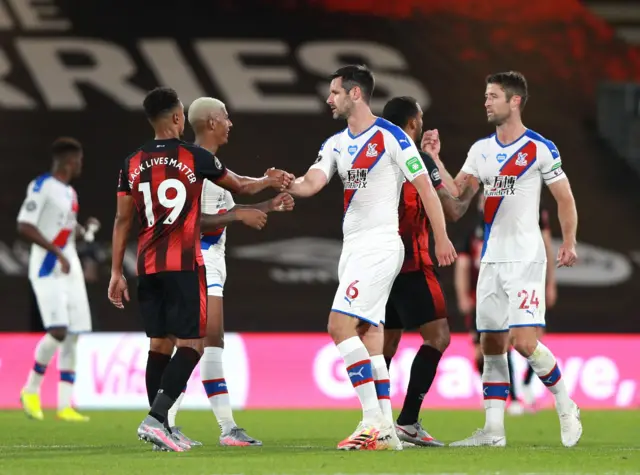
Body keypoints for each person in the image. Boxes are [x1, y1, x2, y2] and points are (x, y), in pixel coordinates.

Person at [107, 87, 292, 452]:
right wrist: (258, 194)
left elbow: (120, 219)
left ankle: (161, 427)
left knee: (159, 345)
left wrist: (116, 272)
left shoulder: (131, 162)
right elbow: (237, 187)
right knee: (194, 344)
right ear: (178, 118)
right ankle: (157, 420)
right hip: (184, 262)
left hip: (147, 264)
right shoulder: (194, 158)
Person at [286, 65, 457, 451]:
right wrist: (288, 184)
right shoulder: (335, 143)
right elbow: (312, 182)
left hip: (381, 245)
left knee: (338, 326)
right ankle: (388, 433)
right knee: (370, 335)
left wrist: (442, 238)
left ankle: (371, 424)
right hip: (353, 248)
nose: (329, 99)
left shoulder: (392, 137)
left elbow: (426, 190)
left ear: (355, 94)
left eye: (334, 92)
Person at [423, 71, 581, 447]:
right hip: (491, 261)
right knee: (491, 345)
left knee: (524, 342)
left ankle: (565, 404)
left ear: (514, 101)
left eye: (492, 96)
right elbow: (458, 197)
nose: (486, 102)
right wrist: (434, 160)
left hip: (525, 259)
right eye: (485, 95)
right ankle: (493, 431)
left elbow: (565, 199)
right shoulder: (481, 150)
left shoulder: (540, 148)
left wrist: (569, 241)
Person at [165, 97, 295, 447]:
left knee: (209, 344)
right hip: (199, 260)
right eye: (224, 117)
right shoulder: (193, 166)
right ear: (209, 122)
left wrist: (268, 198)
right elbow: (188, 223)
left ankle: (209, 425)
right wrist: (241, 214)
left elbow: (237, 192)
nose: (230, 123)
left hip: (211, 260)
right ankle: (172, 421)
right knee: (202, 342)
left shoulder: (209, 164)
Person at [380, 96, 474, 447]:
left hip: (378, 263)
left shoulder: (373, 154)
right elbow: (453, 210)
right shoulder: (416, 157)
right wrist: (434, 159)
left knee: (385, 343)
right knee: (438, 337)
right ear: (414, 123)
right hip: (412, 263)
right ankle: (407, 420)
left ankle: (377, 421)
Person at [18, 137, 99, 422]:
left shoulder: (70, 193)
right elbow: (25, 225)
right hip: (48, 265)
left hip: (69, 264)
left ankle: (65, 405)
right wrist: (57, 252)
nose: (81, 165)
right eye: (79, 160)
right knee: (58, 330)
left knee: (73, 334)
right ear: (69, 161)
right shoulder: (41, 186)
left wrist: (83, 230)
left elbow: (66, 230)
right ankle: (30, 389)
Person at [455, 195, 556, 415]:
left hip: (518, 290)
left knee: (532, 339)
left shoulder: (521, 223)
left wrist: (548, 284)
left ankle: (530, 387)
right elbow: (463, 265)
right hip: (484, 296)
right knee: (488, 349)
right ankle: (509, 397)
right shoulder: (475, 232)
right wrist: (463, 294)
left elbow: (544, 250)